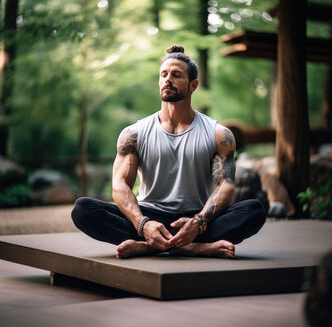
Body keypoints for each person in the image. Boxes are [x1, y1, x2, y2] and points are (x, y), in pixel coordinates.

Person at [72, 44, 266, 259]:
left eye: (176, 75)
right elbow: (119, 185)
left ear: (193, 85)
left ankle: (151, 246)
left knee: (254, 210)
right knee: (83, 209)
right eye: (163, 74)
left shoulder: (219, 135)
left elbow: (225, 187)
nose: (168, 79)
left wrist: (199, 221)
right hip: (148, 215)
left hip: (196, 218)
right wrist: (142, 224)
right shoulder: (133, 133)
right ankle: (191, 248)